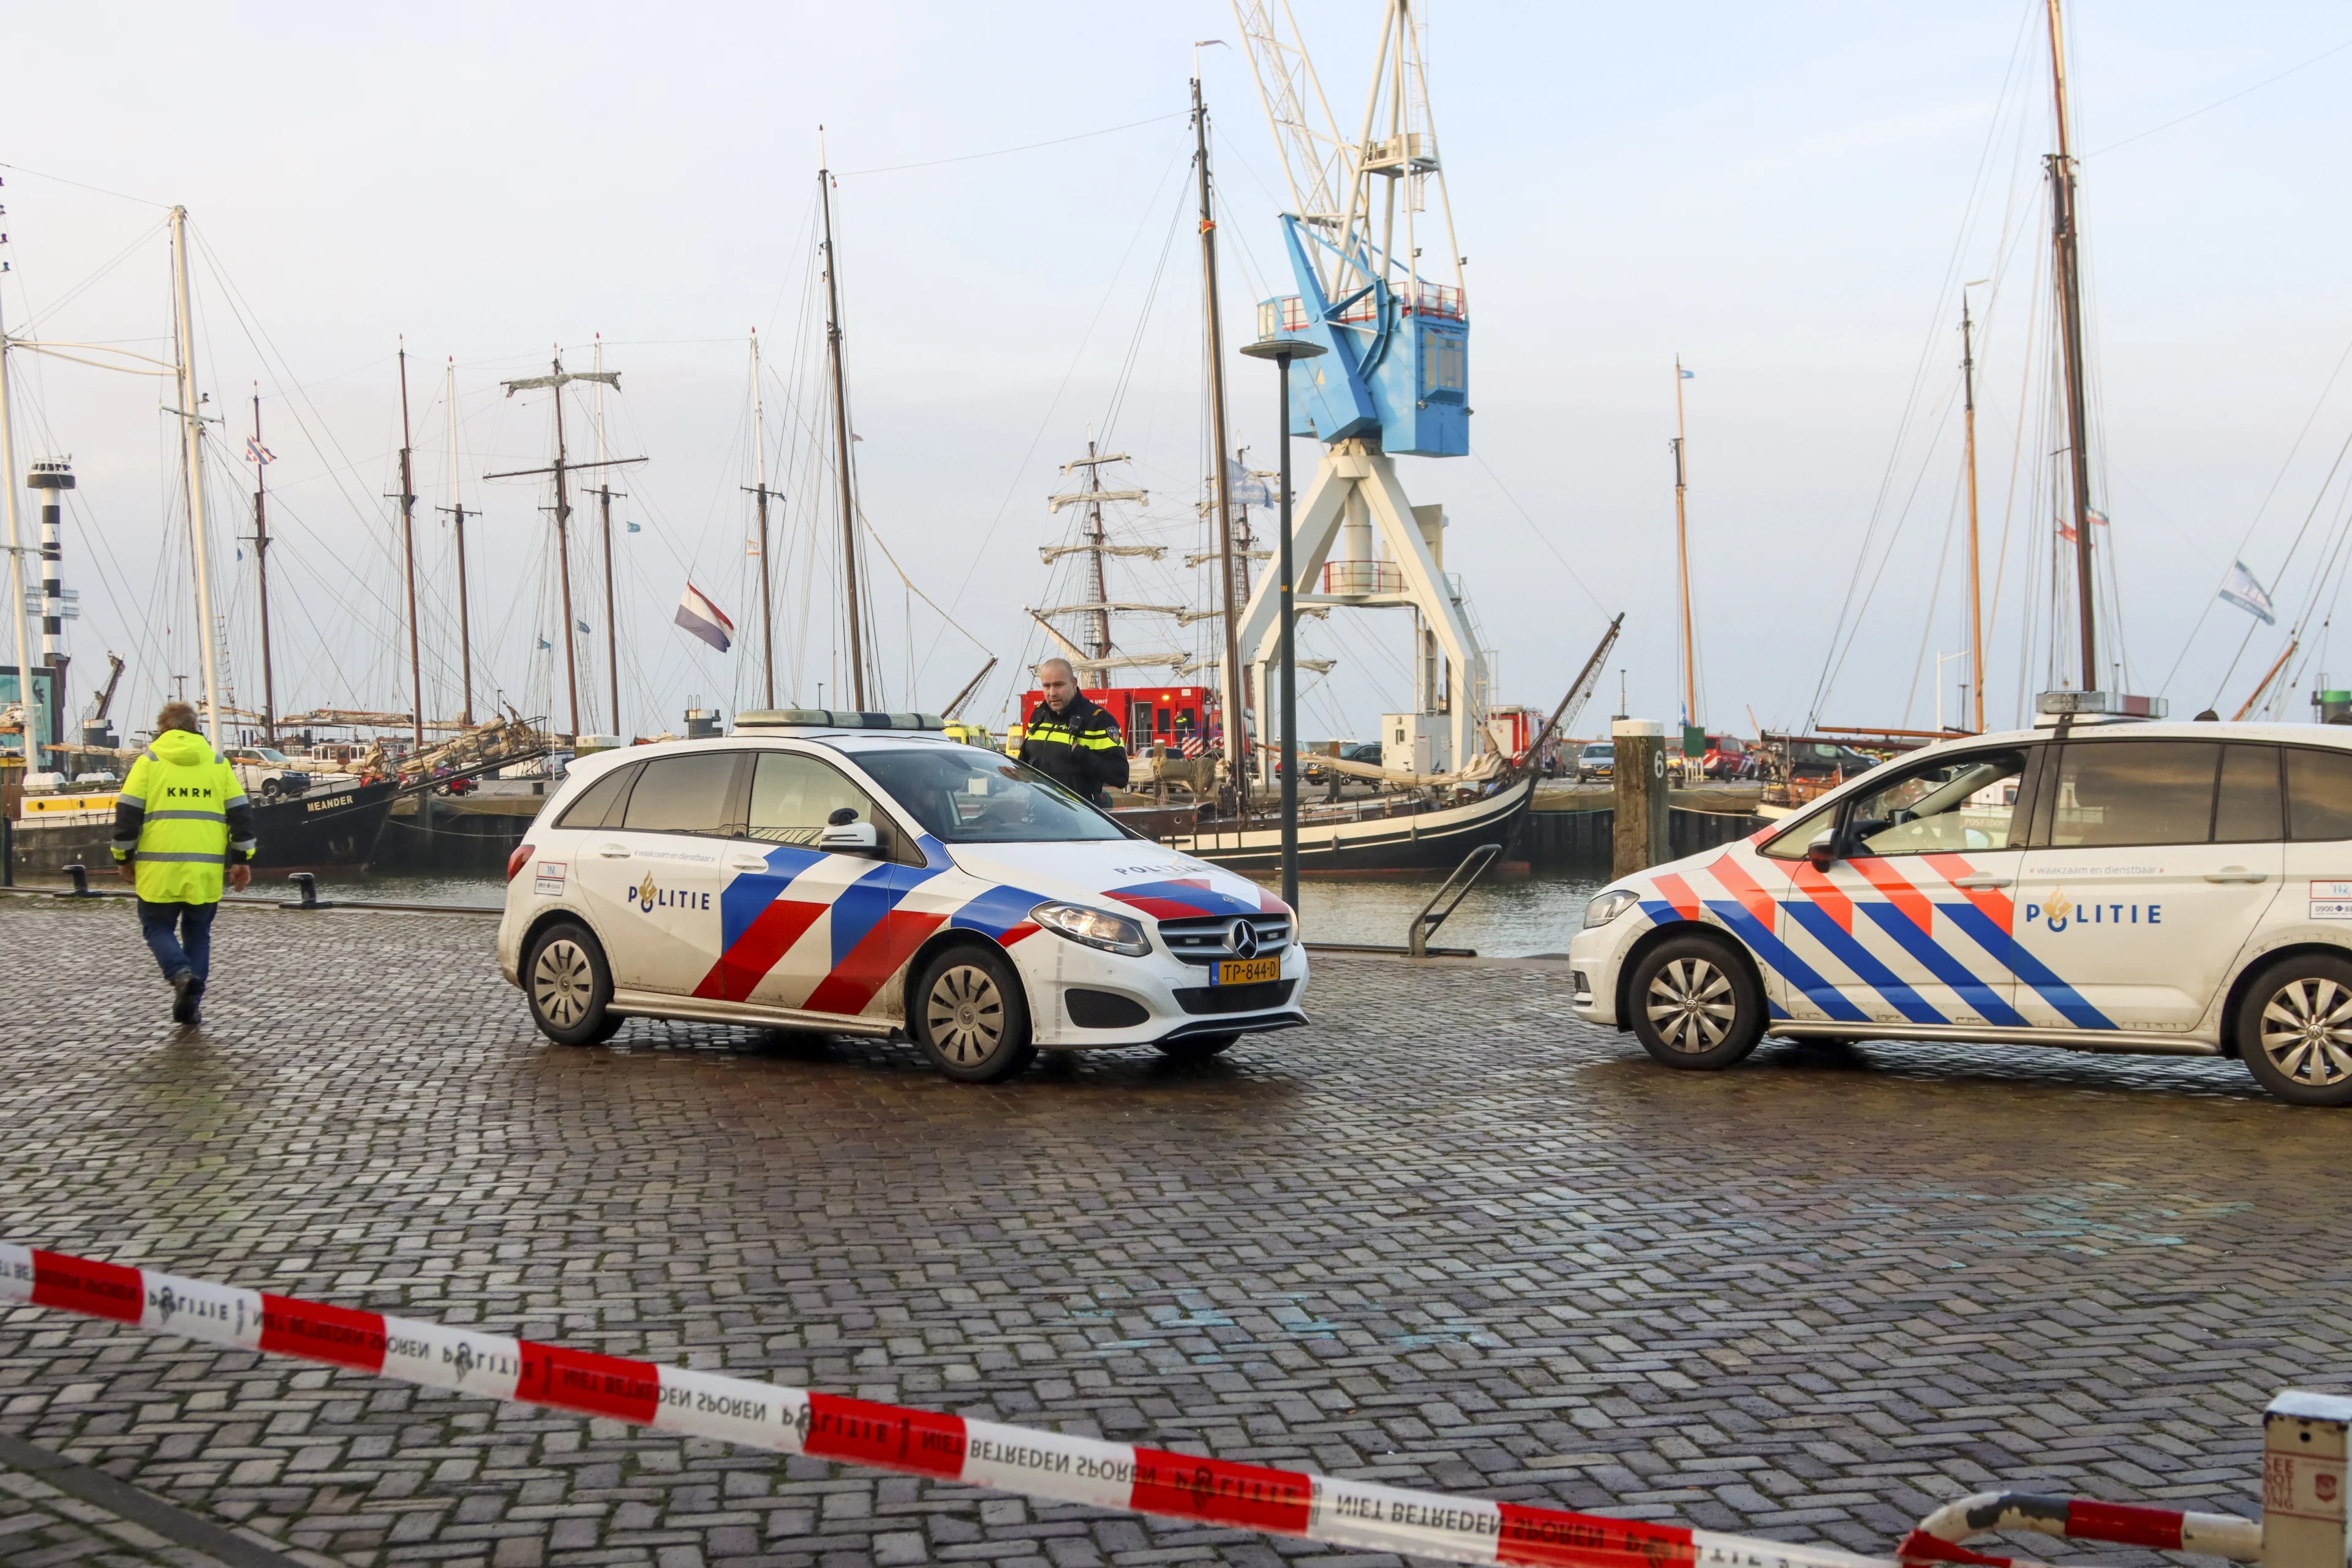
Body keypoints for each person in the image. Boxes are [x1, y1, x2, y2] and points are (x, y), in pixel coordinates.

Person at [111, 703, 256, 1027]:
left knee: (157, 928)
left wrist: (123, 857)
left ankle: (180, 975)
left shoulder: (149, 762)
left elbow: (127, 814)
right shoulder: (218, 764)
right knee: (198, 935)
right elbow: (241, 814)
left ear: (162, 729)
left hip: (157, 870)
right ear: (196, 728)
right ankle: (192, 1004)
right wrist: (241, 860)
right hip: (204, 871)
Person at [1017, 657, 1128, 805]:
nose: (1052, 693)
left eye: (1058, 685)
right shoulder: (1038, 717)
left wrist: (1080, 754)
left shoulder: (1098, 721)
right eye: (1046, 686)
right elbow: (1023, 763)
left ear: (1074, 683)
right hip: (1039, 814)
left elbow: (1120, 776)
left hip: (1081, 817)